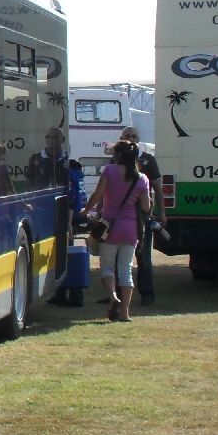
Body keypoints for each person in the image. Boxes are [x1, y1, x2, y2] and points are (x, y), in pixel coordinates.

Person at [84, 137, 151, 322]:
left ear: (118, 155)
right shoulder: (142, 178)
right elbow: (146, 207)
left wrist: (86, 210)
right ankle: (125, 313)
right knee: (126, 270)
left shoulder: (110, 171)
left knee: (107, 267)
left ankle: (113, 296)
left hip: (108, 228)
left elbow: (97, 195)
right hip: (130, 229)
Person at [120, 126, 167, 305]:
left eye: (134, 136)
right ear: (121, 138)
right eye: (127, 136)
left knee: (144, 257)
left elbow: (158, 189)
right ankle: (117, 293)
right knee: (118, 255)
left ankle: (147, 294)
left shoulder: (148, 160)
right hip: (120, 214)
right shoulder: (115, 160)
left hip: (142, 214)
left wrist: (161, 212)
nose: (131, 139)